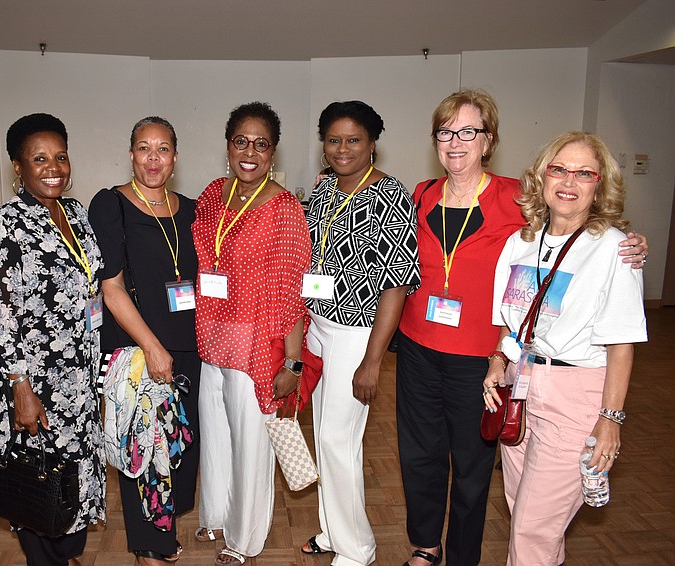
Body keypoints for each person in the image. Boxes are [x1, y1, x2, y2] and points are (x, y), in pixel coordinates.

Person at [394, 89, 649, 566]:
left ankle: (464, 557)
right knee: (471, 480)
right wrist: (501, 357)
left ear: (488, 140)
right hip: (494, 363)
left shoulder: (517, 201)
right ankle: (426, 547)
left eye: (468, 132)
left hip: (493, 362)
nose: (456, 142)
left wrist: (633, 244)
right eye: (446, 132)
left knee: (486, 480)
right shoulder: (424, 195)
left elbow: (584, 233)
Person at [483, 131, 647, 565]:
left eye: (584, 173)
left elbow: (622, 345)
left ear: (600, 184)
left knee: (535, 528)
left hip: (577, 393)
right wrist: (498, 362)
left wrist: (609, 421)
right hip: (520, 388)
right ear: (542, 177)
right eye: (559, 169)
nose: (569, 181)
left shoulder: (615, 249)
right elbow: (509, 321)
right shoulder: (520, 242)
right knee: (525, 516)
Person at [0, 113, 104, 566]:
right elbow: (1, 317)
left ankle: (68, 555)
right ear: (18, 165)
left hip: (80, 376)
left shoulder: (75, 212)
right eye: (39, 158)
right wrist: (21, 389)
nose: (54, 167)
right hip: (37, 382)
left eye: (60, 156)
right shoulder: (3, 226)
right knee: (40, 481)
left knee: (75, 474)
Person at [299, 101, 419, 566]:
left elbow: (397, 283)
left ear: (372, 144)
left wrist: (373, 359)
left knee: (338, 441)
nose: (342, 149)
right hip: (319, 327)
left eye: (354, 140)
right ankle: (332, 531)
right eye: (333, 140)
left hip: (357, 333)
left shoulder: (389, 195)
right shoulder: (325, 190)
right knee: (326, 435)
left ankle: (357, 549)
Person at [192, 102, 311, 566]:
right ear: (227, 146)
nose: (250, 151)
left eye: (261, 143)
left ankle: (244, 538)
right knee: (216, 434)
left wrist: (292, 363)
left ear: (273, 152)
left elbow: (293, 293)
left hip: (256, 344)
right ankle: (216, 514)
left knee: (250, 442)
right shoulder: (211, 195)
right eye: (241, 140)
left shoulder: (283, 208)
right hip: (212, 335)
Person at [88, 116, 199, 566]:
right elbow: (110, 287)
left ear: (175, 157)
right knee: (143, 450)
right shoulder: (110, 205)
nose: (153, 159)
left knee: (176, 448)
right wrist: (153, 347)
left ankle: (164, 533)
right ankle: (148, 548)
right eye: (144, 148)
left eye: (163, 149)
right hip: (137, 349)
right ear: (131, 153)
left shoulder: (191, 208)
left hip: (189, 347)